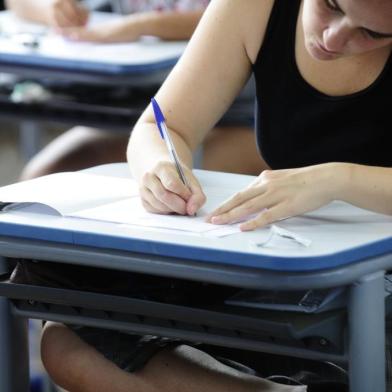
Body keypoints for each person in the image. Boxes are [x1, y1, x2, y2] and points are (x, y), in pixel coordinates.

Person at [14, 0, 392, 390]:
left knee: (84, 341)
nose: (334, 36)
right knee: (66, 341)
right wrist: (159, 167)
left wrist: (338, 179)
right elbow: (162, 125)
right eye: (329, 6)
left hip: (370, 279)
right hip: (288, 257)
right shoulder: (257, 7)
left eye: (373, 34)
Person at [5, 0, 266, 180]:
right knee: (43, 179)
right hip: (138, 116)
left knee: (175, 195)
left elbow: (253, 11)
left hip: (238, 120)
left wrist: (143, 25)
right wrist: (53, 8)